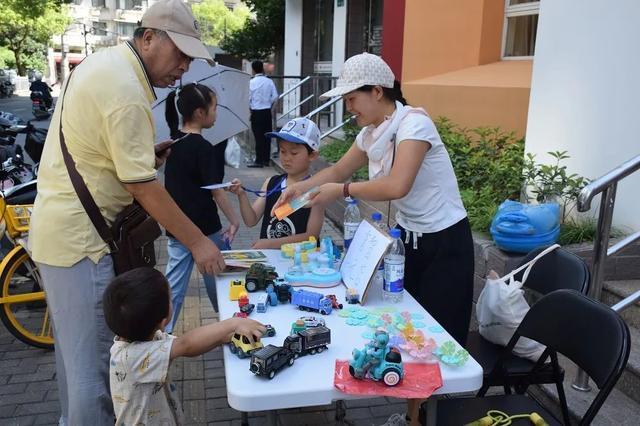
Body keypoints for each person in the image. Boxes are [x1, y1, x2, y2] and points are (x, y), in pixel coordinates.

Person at [27, 1, 226, 424]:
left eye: (190, 58)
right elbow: (141, 187)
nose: (184, 68)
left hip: (65, 237)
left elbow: (102, 156)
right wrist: (198, 242)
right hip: (82, 245)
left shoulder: (108, 66)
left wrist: (141, 157)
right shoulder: (126, 91)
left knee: (75, 363)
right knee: (94, 374)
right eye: (180, 54)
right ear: (149, 37)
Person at [273, 53, 474, 426]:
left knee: (437, 336)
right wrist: (299, 189)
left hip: (445, 243)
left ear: (377, 91)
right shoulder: (371, 133)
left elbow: (397, 184)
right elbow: (336, 169)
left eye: (351, 99)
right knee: (411, 333)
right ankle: (415, 412)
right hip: (410, 242)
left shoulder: (415, 123)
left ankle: (428, 416)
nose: (348, 108)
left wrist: (343, 190)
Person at [104, 267, 265, 425]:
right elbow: (186, 344)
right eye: (170, 297)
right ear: (162, 321)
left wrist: (224, 337)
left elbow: (191, 347)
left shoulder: (146, 337)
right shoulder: (130, 358)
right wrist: (234, 323)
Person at [163, 82, 240, 333]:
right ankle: (232, 326)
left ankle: (160, 335)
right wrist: (234, 220)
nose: (216, 113)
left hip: (177, 228)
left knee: (173, 287)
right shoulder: (204, 148)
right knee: (217, 282)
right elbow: (216, 191)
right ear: (199, 112)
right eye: (214, 107)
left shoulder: (171, 145)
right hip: (206, 230)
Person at [229, 117, 325, 249]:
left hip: (300, 263)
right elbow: (251, 220)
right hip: (271, 262)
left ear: (312, 155)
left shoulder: (315, 191)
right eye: (282, 151)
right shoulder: (271, 183)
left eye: (294, 152)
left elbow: (311, 237)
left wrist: (269, 244)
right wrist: (241, 195)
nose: (286, 158)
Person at [247, 60, 278, 168]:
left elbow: (248, 98)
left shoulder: (251, 82)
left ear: (253, 69)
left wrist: (250, 108)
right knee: (267, 136)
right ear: (262, 68)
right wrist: (270, 107)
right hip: (266, 112)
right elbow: (275, 96)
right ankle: (266, 159)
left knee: (258, 136)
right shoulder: (269, 81)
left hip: (256, 112)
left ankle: (259, 160)